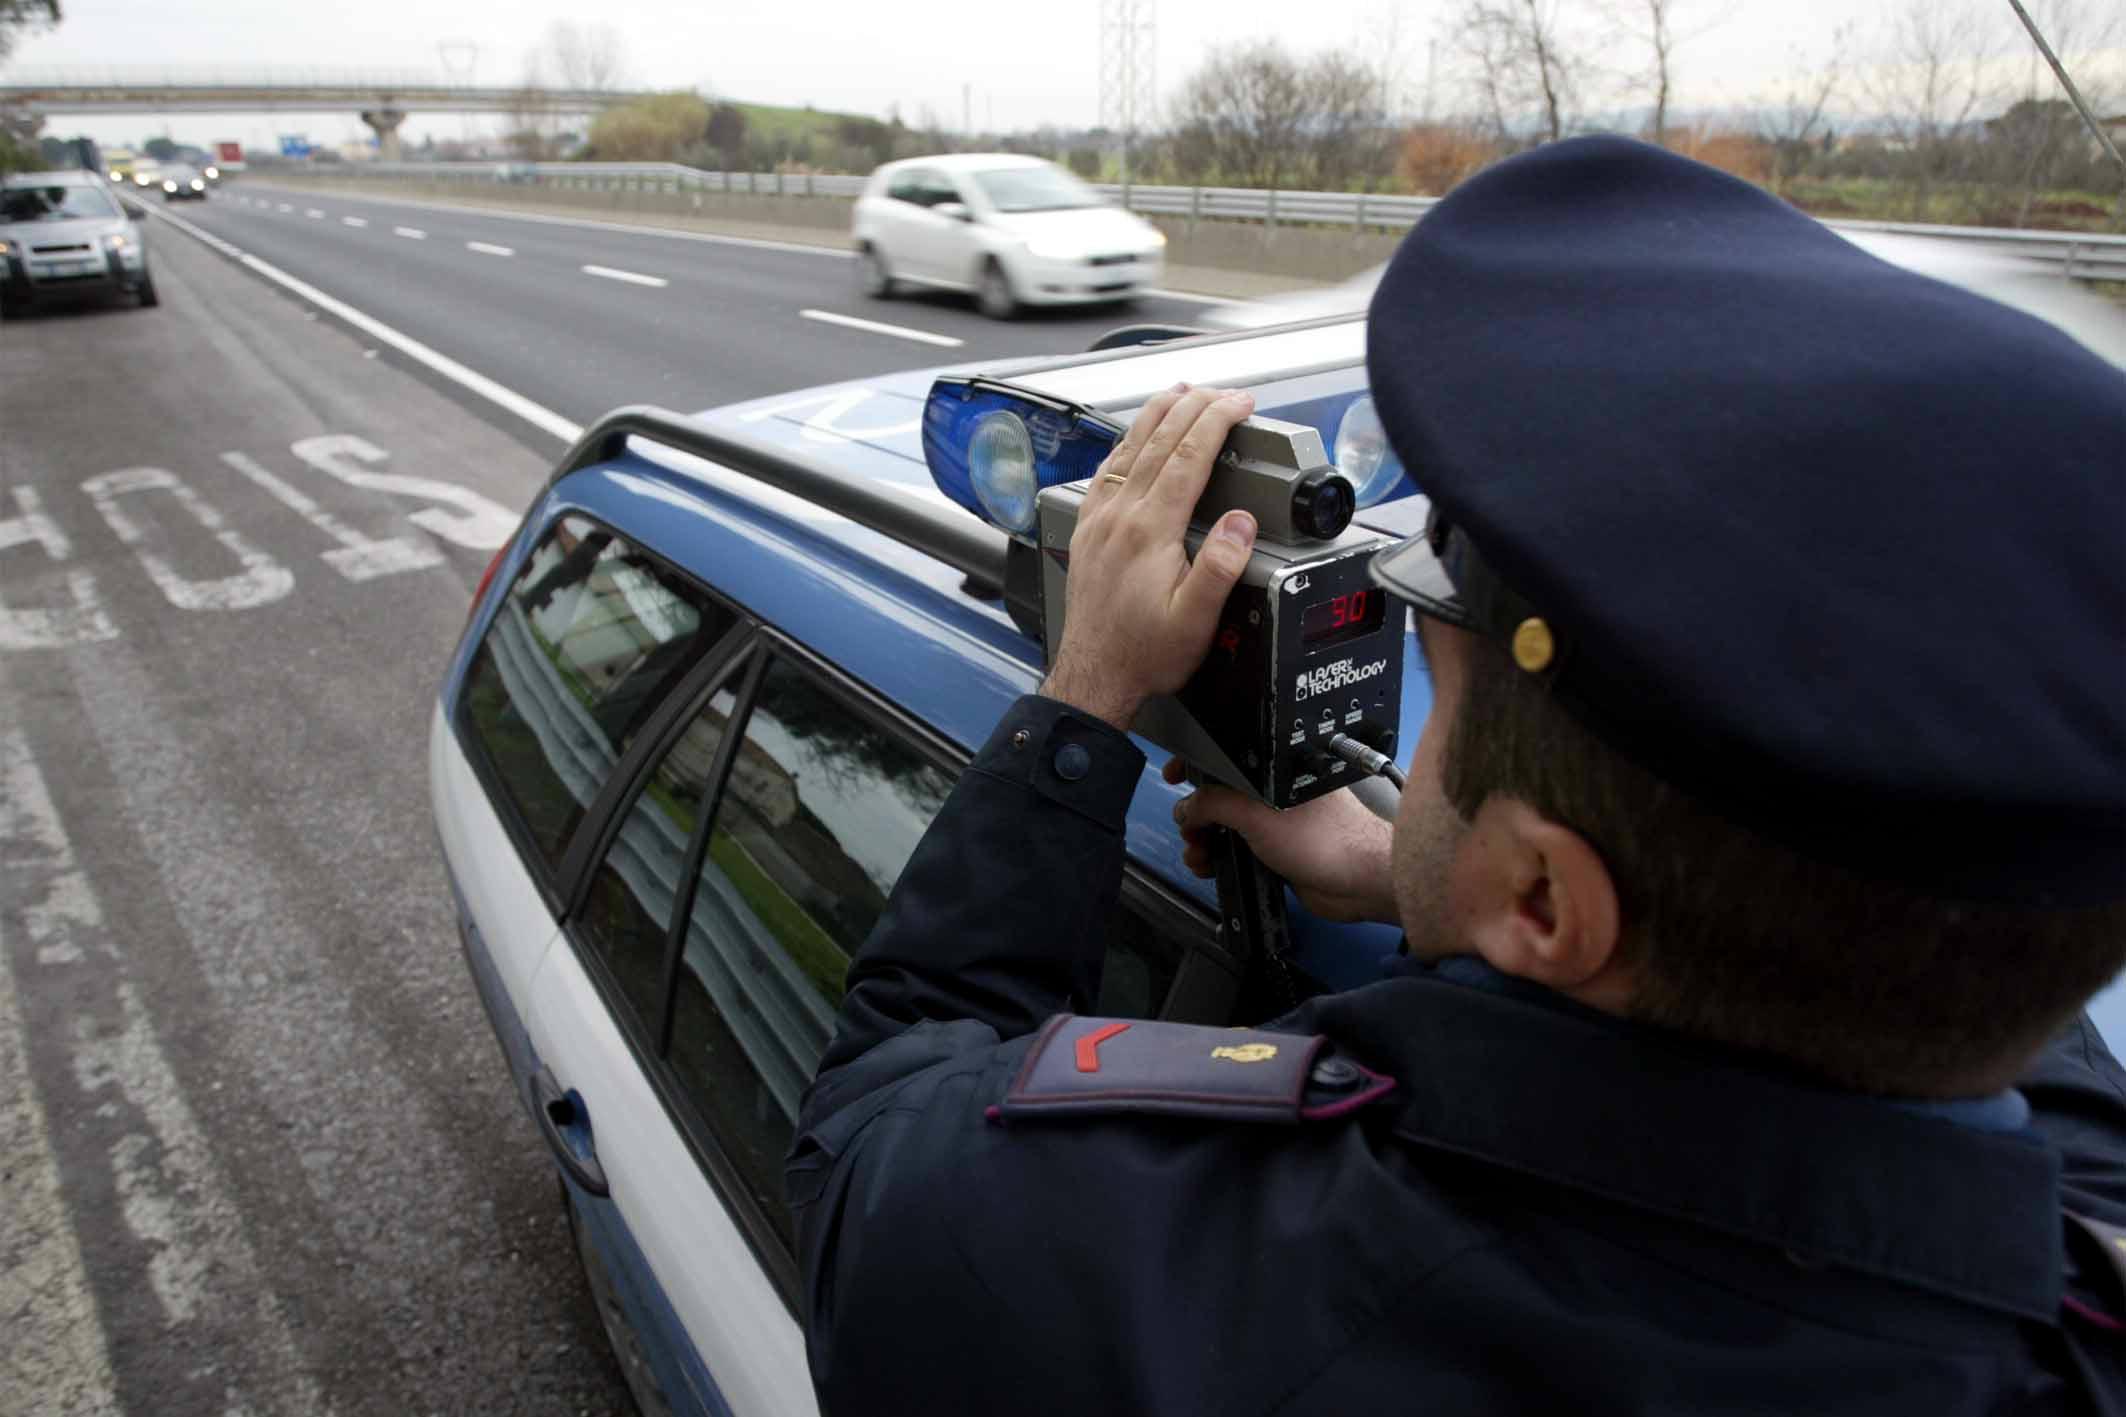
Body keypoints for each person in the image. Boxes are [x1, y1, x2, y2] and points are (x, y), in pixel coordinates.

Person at [787, 136, 2126, 1414]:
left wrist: (1082, 695)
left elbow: (866, 1144)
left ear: (1545, 901)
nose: (1407, 764)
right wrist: (1432, 873)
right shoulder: (2076, 1296)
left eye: (1440, 734)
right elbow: (1968, 928)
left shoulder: (1177, 1272)